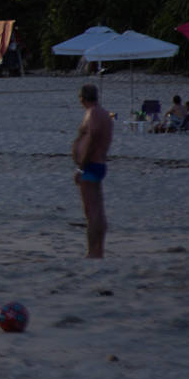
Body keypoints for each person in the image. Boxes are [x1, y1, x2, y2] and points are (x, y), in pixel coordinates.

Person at [72, 82, 111, 258]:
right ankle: (98, 250)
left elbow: (93, 136)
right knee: (98, 209)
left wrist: (81, 166)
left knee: (91, 211)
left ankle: (93, 251)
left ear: (82, 98)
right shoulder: (103, 113)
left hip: (90, 164)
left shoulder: (94, 113)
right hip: (98, 163)